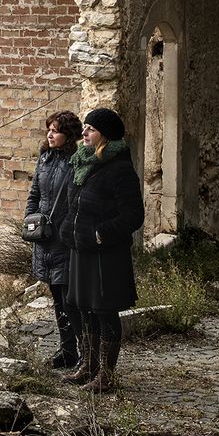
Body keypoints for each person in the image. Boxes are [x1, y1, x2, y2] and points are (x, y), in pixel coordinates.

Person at [58, 107, 144, 393]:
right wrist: (69, 229)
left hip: (105, 253)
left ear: (104, 136)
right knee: (84, 307)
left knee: (104, 311)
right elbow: (76, 205)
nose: (84, 133)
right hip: (81, 248)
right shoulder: (84, 163)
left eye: (91, 129)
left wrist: (100, 233)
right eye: (85, 127)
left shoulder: (120, 168)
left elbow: (134, 215)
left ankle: (106, 375)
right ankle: (88, 365)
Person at [23, 110, 83, 369]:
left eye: (56, 130)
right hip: (45, 237)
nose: (50, 134)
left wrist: (69, 229)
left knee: (71, 299)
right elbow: (35, 192)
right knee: (58, 298)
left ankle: (86, 352)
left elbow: (79, 201)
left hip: (65, 239)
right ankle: (68, 350)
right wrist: (30, 220)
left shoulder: (77, 161)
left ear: (67, 135)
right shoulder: (44, 159)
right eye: (48, 129)